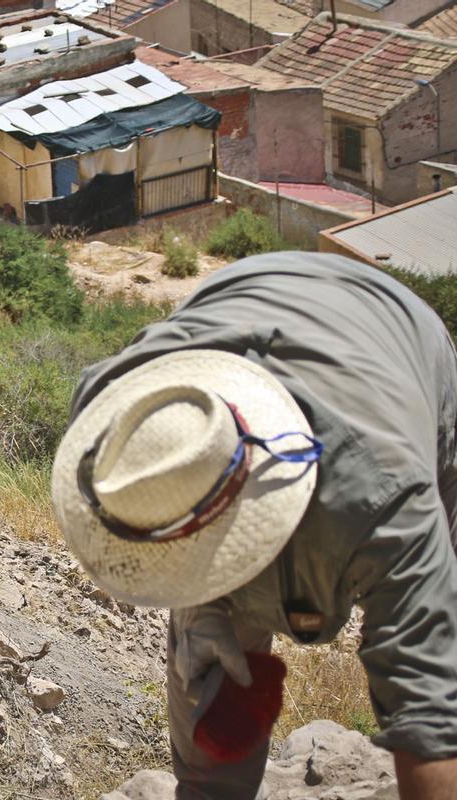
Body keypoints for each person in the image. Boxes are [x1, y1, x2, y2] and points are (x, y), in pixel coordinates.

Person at [50, 252, 457, 799]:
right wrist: (209, 610)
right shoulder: (119, 431)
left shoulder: (381, 498)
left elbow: (431, 720)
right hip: (247, 287)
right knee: (214, 679)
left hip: (395, 334)